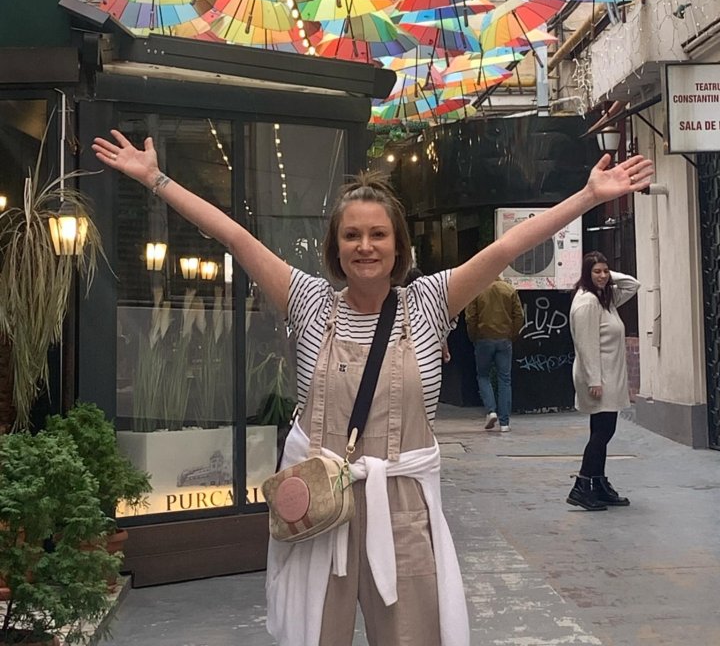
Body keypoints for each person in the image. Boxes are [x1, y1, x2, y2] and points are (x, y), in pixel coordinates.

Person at [91, 130, 653, 646]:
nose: (365, 245)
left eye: (377, 234)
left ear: (397, 244)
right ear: (335, 248)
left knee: (411, 634)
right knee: (317, 635)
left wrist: (586, 197)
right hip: (320, 501)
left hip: (402, 502)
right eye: (352, 235)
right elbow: (235, 237)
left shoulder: (432, 303)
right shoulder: (309, 304)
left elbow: (505, 250)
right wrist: (154, 179)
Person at [567, 251, 640, 512]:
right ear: (586, 274)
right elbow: (586, 346)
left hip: (610, 376)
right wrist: (594, 380)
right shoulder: (587, 303)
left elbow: (633, 285)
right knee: (603, 432)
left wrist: (608, 279)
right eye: (596, 271)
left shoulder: (604, 299)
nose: (602, 276)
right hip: (599, 379)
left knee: (601, 430)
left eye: (605, 271)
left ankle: (598, 483)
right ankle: (582, 484)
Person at [465, 277, 524, 432]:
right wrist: (512, 334)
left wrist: (473, 336)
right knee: (505, 379)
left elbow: (471, 317)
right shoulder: (509, 290)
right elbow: (519, 315)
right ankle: (505, 423)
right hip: (504, 339)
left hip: (483, 338)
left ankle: (491, 411)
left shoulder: (478, 289)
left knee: (483, 376)